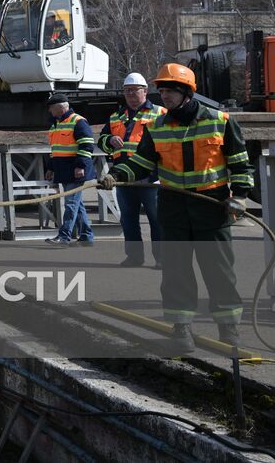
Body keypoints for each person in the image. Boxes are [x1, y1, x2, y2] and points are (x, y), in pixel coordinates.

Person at [99, 63, 253, 354]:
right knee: (175, 272)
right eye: (162, 90)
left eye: (170, 90)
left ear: (186, 92)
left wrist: (241, 196)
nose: (164, 96)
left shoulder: (220, 121)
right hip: (174, 208)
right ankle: (181, 329)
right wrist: (116, 174)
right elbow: (142, 163)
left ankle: (228, 329)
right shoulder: (157, 127)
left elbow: (240, 162)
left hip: (212, 207)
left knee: (219, 271)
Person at [98, 72, 166, 268]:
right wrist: (109, 140)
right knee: (128, 220)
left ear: (144, 91)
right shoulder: (116, 116)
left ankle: (162, 258)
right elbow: (102, 141)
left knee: (157, 220)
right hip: (122, 178)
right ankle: (134, 257)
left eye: (133, 90)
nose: (129, 94)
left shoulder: (160, 113)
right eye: (126, 91)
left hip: (151, 177)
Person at [45, 92, 96, 246]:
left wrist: (80, 166)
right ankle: (86, 236)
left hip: (75, 171)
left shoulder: (78, 121)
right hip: (64, 170)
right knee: (77, 204)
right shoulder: (56, 124)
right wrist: (51, 168)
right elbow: (55, 149)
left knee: (71, 204)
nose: (49, 111)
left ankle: (64, 236)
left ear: (60, 107)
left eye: (51, 108)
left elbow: (87, 144)